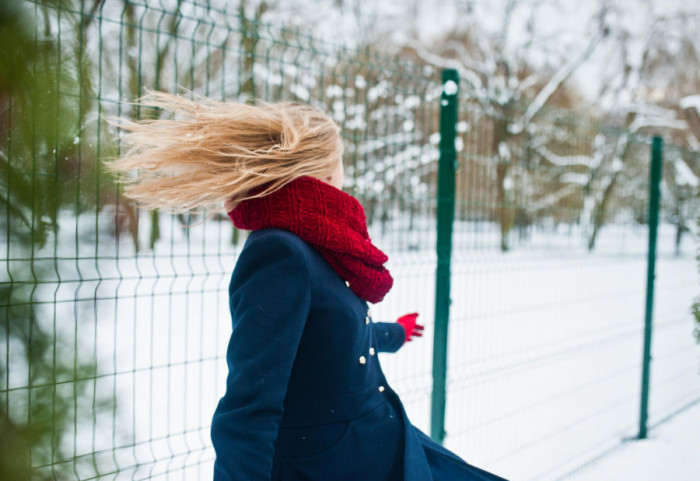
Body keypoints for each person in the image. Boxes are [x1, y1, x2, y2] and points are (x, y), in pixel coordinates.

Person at [107, 91, 509, 481]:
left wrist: (395, 333)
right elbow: (248, 408)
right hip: (332, 463)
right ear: (325, 169)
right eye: (342, 158)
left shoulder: (322, 241)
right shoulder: (280, 254)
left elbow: (329, 338)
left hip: (377, 443)